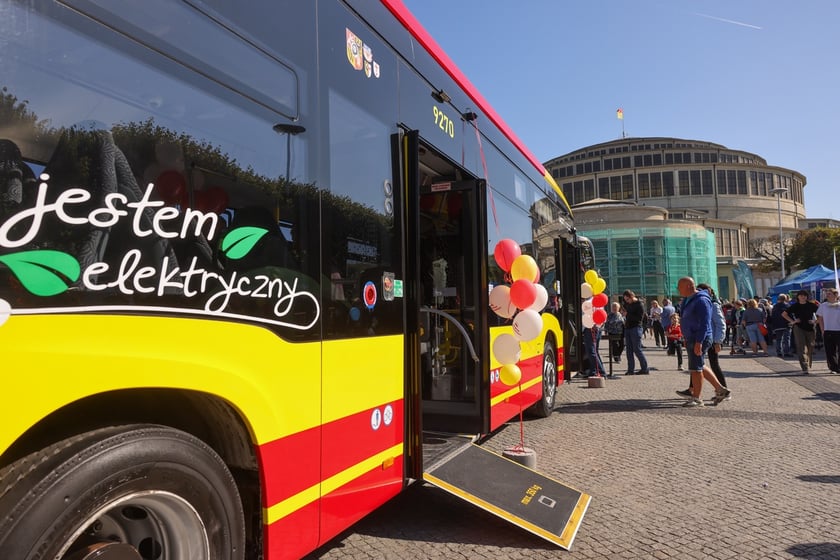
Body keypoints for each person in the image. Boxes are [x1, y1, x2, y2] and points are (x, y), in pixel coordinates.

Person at [676, 277, 731, 407]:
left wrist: (699, 342)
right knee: (699, 366)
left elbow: (705, 323)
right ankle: (720, 389)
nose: (678, 289)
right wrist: (686, 337)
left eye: (679, 286)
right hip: (692, 337)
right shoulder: (688, 299)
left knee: (696, 369)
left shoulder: (701, 300)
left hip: (699, 338)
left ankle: (697, 398)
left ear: (688, 286)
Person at [782, 289, 820, 374]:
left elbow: (821, 314)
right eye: (801, 295)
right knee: (801, 347)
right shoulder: (795, 306)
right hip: (799, 328)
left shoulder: (811, 305)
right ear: (798, 297)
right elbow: (784, 314)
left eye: (804, 295)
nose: (803, 297)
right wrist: (793, 321)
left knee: (811, 346)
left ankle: (808, 362)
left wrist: (815, 321)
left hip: (810, 328)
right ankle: (804, 367)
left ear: (807, 297)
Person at [621, 290, 649, 375]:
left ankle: (645, 368)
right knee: (628, 350)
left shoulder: (639, 304)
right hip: (628, 328)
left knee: (637, 349)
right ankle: (630, 370)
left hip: (636, 328)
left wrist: (627, 314)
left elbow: (639, 318)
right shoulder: (627, 304)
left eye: (628, 299)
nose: (627, 301)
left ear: (632, 296)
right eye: (625, 300)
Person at [816, 287, 840, 374]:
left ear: (835, 295)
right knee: (830, 351)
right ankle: (833, 368)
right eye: (827, 294)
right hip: (828, 330)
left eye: (829, 294)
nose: (827, 295)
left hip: (839, 330)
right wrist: (822, 329)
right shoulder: (823, 305)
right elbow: (820, 319)